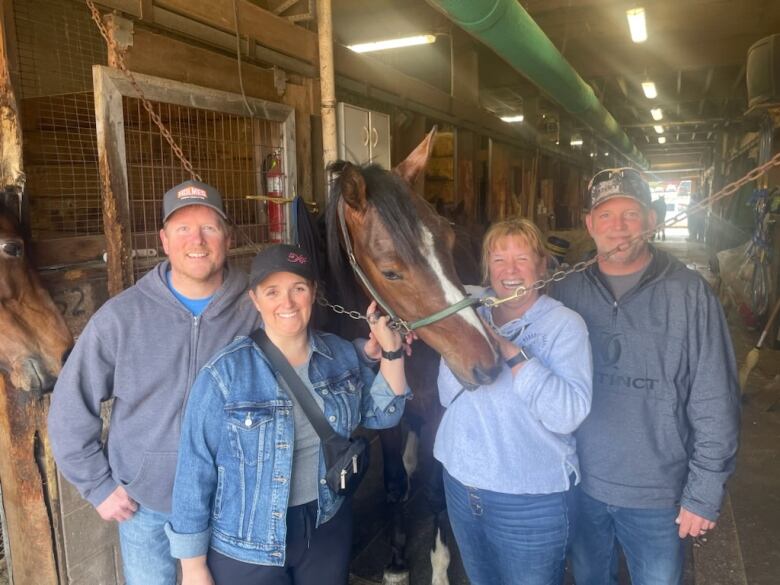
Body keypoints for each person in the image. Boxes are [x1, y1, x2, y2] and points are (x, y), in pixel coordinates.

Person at [48, 180, 261, 585]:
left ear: (228, 238)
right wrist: (97, 485)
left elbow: (306, 355)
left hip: (231, 501)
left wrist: (372, 351)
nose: (196, 240)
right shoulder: (121, 318)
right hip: (146, 505)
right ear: (164, 240)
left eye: (209, 228)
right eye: (182, 229)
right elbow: (70, 406)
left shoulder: (255, 308)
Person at [165, 244, 411, 585]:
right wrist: (193, 567)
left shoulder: (339, 355)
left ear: (313, 293)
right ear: (255, 299)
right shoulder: (224, 374)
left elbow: (384, 416)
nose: (288, 302)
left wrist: (392, 351)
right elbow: (194, 472)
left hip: (327, 526)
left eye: (298, 288)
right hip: (246, 543)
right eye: (273, 291)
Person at [552, 168, 740, 585]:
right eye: (605, 215)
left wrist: (704, 492)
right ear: (589, 224)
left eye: (631, 215)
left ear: (652, 221)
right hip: (581, 485)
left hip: (658, 495)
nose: (618, 227)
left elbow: (716, 398)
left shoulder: (689, 294)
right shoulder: (567, 291)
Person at [435, 218, 593, 585]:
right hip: (461, 486)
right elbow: (447, 396)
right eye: (498, 259)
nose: (509, 270)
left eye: (521, 259)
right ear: (487, 266)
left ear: (541, 266)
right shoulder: (469, 313)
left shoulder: (565, 326)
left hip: (531, 502)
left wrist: (512, 354)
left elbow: (567, 415)